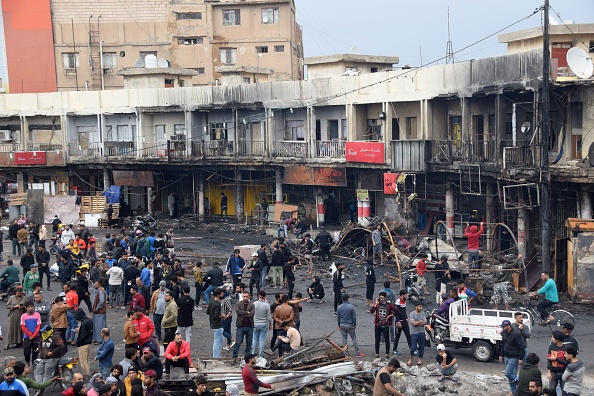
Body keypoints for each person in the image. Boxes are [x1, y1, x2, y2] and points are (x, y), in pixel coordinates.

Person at [499, 319, 527, 396]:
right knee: (512, 377)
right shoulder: (504, 333)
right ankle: (515, 393)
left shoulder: (516, 334)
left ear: (509, 326)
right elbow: (503, 344)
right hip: (507, 357)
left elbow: (522, 346)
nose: (502, 328)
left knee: (507, 373)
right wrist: (501, 354)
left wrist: (521, 358)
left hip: (514, 357)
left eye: (504, 326)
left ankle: (519, 382)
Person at [370, 291, 398, 360]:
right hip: (378, 324)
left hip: (386, 324)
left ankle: (387, 354)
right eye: (380, 298)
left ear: (385, 298)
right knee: (377, 339)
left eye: (382, 298)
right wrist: (375, 304)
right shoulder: (377, 304)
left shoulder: (389, 305)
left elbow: (397, 311)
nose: (381, 299)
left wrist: (390, 316)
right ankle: (377, 353)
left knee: (387, 339)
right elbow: (371, 311)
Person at [232, 291, 254, 362]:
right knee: (238, 343)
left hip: (249, 327)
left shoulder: (252, 305)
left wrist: (243, 313)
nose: (245, 298)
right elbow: (238, 312)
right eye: (244, 296)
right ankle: (234, 358)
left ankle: (246, 360)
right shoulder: (238, 304)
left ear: (249, 297)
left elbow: (252, 314)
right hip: (240, 326)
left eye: (246, 296)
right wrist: (247, 312)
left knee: (249, 343)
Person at [20, 301, 41, 366]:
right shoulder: (23, 316)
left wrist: (34, 335)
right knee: (26, 352)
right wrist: (30, 334)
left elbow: (38, 325)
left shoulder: (37, 314)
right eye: (28, 307)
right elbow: (23, 327)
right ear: (26, 308)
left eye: (31, 306)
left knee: (35, 352)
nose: (30, 308)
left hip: (36, 336)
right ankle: (27, 362)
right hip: (27, 337)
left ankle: (34, 364)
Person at [252, 290, 272, 357]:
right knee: (262, 340)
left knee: (255, 339)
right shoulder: (267, 305)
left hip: (255, 324)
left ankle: (253, 353)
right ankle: (260, 354)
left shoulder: (254, 303)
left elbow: (252, 314)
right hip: (263, 324)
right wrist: (270, 324)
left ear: (259, 296)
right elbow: (269, 317)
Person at [75, 308, 93, 379]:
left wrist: (78, 342)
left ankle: (86, 374)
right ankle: (87, 372)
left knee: (83, 361)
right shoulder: (89, 321)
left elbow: (82, 335)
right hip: (89, 343)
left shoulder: (84, 323)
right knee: (87, 360)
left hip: (83, 344)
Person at [207, 287, 225, 358]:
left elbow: (208, 312)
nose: (223, 294)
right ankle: (216, 357)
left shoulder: (211, 302)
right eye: (222, 293)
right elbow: (216, 316)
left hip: (212, 324)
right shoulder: (218, 304)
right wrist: (222, 316)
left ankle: (217, 356)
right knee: (218, 342)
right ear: (218, 294)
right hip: (217, 325)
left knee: (218, 340)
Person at [407, 302, 426, 366]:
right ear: (416, 307)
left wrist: (417, 322)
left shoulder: (422, 313)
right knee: (413, 347)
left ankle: (420, 359)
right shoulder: (412, 314)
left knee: (421, 347)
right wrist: (420, 321)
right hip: (414, 333)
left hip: (422, 332)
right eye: (420, 306)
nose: (421, 308)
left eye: (421, 306)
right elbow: (413, 323)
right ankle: (410, 359)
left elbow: (425, 321)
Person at [393, 290, 411, 356]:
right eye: (406, 294)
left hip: (404, 321)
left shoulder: (404, 301)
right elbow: (397, 313)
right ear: (402, 295)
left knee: (408, 335)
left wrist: (406, 318)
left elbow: (404, 311)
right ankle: (394, 349)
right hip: (399, 322)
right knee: (397, 336)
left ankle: (411, 349)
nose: (407, 296)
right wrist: (398, 322)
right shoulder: (398, 302)